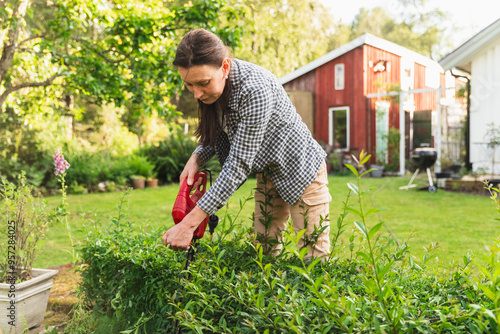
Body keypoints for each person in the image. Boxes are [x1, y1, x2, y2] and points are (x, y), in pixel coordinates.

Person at [162, 28, 331, 259]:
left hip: (300, 168)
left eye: (202, 83)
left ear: (224, 67)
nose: (196, 94)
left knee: (314, 255)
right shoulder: (214, 89)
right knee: (264, 251)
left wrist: (189, 224)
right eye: (189, 85)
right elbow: (219, 130)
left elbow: (237, 166)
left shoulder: (255, 90)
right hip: (268, 171)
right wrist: (196, 158)